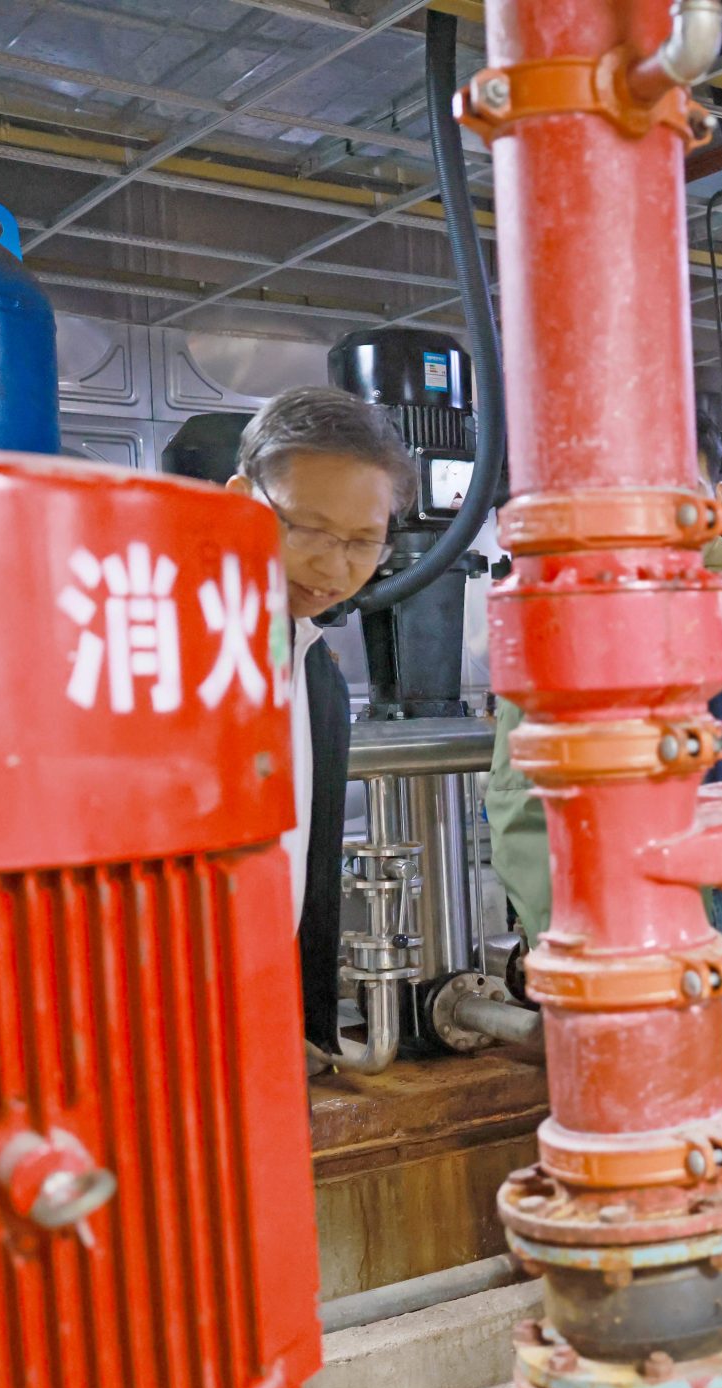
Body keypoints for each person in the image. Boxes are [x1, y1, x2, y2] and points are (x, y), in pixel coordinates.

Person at [485, 409, 722, 1099]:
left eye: (685, 489)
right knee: (625, 1110)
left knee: (711, 1104)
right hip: (610, 921)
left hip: (720, 910)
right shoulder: (564, 606)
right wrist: (565, 942)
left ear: (718, 496)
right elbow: (518, 796)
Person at [223, 388, 411, 1059]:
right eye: (307, 530)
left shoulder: (316, 670)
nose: (333, 567)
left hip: (264, 1025)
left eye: (363, 542)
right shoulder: (172, 658)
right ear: (242, 498)